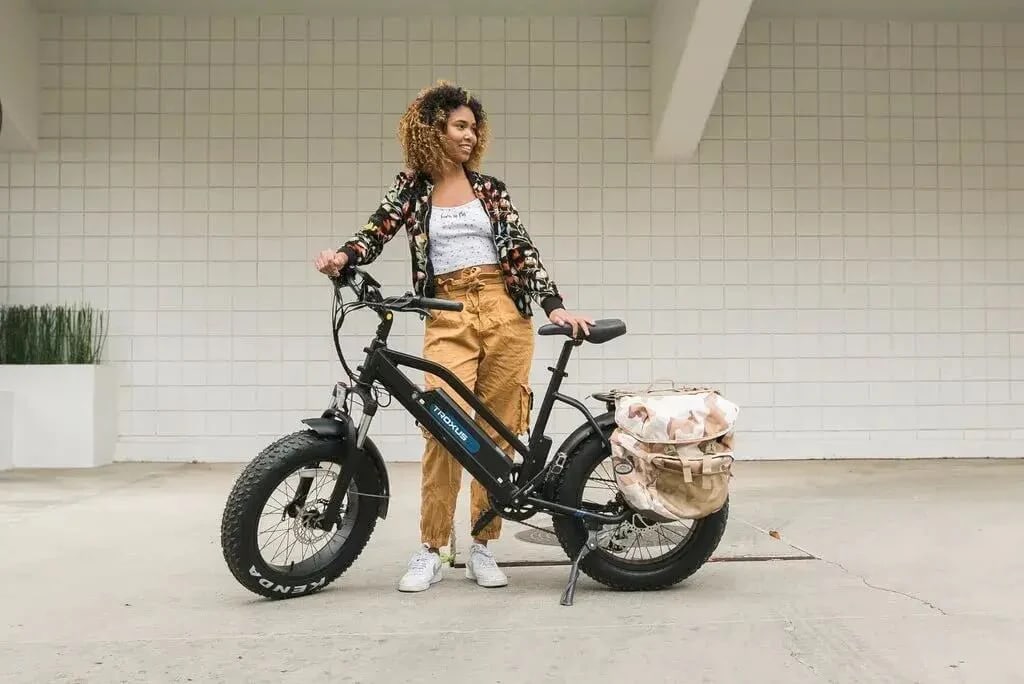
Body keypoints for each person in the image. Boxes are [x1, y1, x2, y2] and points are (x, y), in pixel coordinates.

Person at [315, 81, 593, 593]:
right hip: (447, 311)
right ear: (433, 130)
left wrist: (555, 304)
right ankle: (432, 547)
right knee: (443, 424)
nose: (470, 135)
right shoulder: (412, 187)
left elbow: (523, 252)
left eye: (473, 127)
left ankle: (483, 545)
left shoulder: (490, 189)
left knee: (497, 431)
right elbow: (375, 231)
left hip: (505, 312)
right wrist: (344, 257)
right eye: (459, 126)